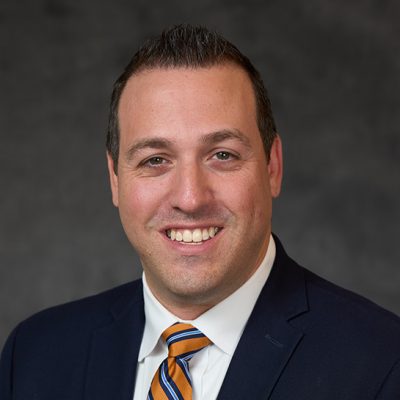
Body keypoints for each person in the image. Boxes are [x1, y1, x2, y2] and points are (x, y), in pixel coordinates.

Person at [1, 24, 400, 400]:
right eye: (155, 160)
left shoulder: (382, 363)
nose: (190, 199)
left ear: (273, 166)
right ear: (115, 180)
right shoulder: (35, 357)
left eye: (222, 155)